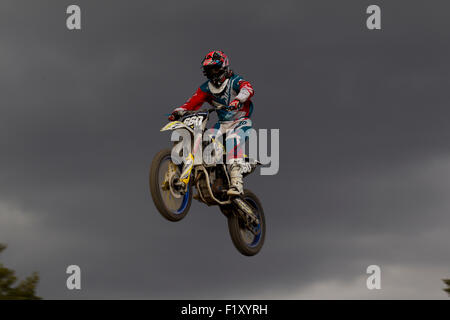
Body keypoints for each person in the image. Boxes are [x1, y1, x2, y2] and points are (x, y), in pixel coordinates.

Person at [169, 50, 255, 196]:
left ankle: (236, 185)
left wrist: (238, 99)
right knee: (205, 141)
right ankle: (208, 177)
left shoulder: (234, 80)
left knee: (231, 142)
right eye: (209, 70)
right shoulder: (206, 88)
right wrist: (179, 111)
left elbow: (248, 88)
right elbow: (192, 102)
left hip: (240, 122)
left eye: (215, 68)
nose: (213, 73)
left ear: (223, 67)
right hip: (222, 125)